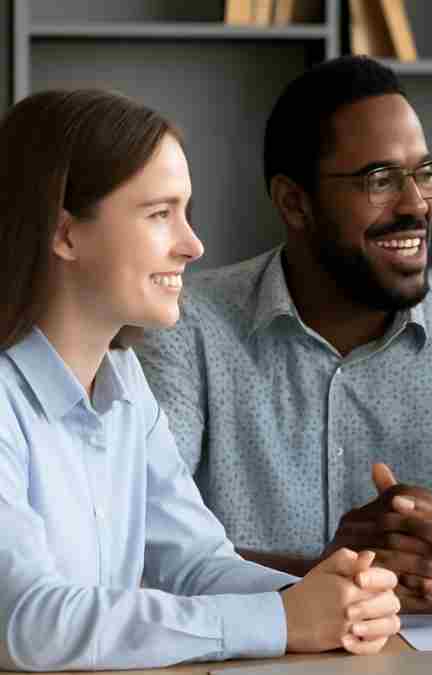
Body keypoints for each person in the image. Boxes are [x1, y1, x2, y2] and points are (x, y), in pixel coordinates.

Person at [136, 55, 432, 614]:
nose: (416, 204)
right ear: (294, 203)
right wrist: (342, 574)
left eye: (425, 174)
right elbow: (146, 542)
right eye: (380, 180)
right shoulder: (185, 327)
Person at [0, 89, 401, 671]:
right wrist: (282, 621)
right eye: (160, 213)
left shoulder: (124, 383)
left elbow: (194, 563)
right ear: (65, 235)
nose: (192, 244)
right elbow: (25, 622)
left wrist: (328, 598)